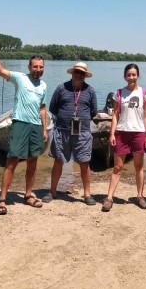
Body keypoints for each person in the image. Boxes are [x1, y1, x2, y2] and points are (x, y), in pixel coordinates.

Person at [0, 39, 48, 215]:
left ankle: (28, 195)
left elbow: (42, 108)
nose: (38, 69)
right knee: (12, 160)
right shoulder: (20, 78)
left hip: (36, 126)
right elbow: (0, 70)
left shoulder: (43, 85)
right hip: (20, 123)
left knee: (33, 162)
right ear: (29, 67)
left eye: (41, 67)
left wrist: (44, 129)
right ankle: (2, 199)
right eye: (35, 66)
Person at [45, 62, 98, 205]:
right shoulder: (61, 88)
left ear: (85, 75)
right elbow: (52, 108)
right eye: (77, 72)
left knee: (84, 163)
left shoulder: (90, 91)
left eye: (82, 73)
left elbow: (93, 112)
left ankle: (87, 194)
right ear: (72, 72)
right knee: (58, 161)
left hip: (83, 133)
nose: (79, 75)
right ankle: (52, 191)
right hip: (62, 131)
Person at [101, 64, 146, 212]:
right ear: (125, 76)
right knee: (118, 167)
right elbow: (115, 115)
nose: (131, 77)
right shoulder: (119, 93)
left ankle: (140, 196)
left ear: (138, 75)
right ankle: (109, 197)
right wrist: (112, 133)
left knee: (139, 167)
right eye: (129, 75)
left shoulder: (144, 93)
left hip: (138, 133)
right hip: (122, 133)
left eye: (134, 74)